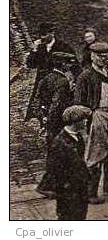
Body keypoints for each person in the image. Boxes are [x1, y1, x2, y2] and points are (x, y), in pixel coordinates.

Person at [74, 42, 108, 204]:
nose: (103, 59)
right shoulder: (86, 76)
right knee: (96, 155)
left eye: (105, 56)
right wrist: (88, 116)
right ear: (92, 56)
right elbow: (79, 100)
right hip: (99, 117)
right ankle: (91, 192)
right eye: (99, 56)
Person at [35, 51, 79, 198]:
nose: (69, 65)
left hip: (48, 121)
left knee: (55, 154)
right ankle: (46, 185)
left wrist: (44, 120)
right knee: (58, 154)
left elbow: (39, 100)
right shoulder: (62, 81)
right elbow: (57, 104)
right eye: (67, 63)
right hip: (57, 123)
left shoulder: (46, 78)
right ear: (62, 64)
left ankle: (55, 184)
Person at [47, 105, 92, 220]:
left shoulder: (78, 138)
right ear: (75, 121)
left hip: (79, 189)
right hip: (68, 191)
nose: (86, 121)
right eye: (84, 119)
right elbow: (54, 168)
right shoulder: (59, 143)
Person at [25, 22, 74, 124]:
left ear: (52, 33)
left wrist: (74, 81)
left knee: (58, 105)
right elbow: (30, 64)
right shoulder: (40, 47)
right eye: (41, 35)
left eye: (45, 34)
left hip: (59, 81)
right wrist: (34, 50)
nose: (42, 37)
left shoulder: (63, 46)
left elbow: (74, 64)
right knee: (39, 104)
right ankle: (41, 123)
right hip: (43, 82)